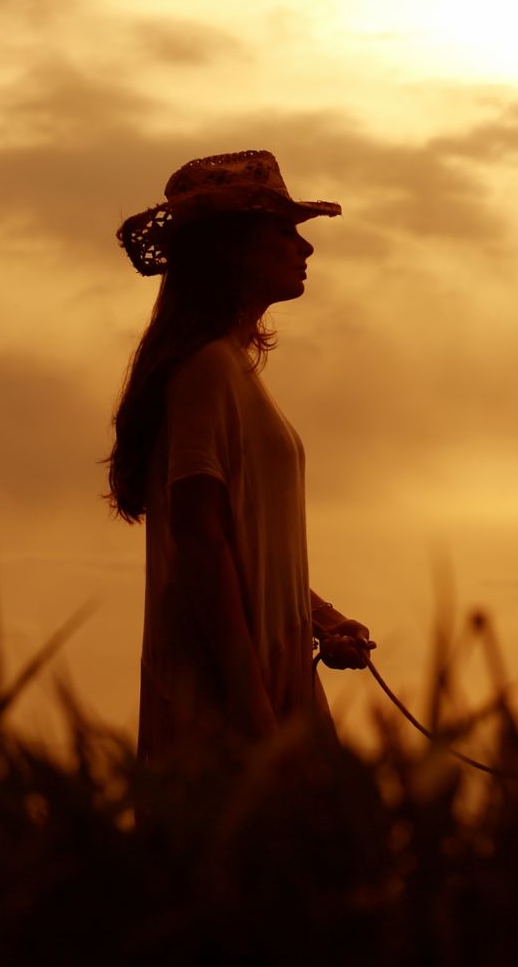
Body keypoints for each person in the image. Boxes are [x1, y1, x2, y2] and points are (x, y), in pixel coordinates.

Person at [105, 150, 373, 770]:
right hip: (225, 705)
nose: (304, 249)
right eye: (284, 231)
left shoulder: (228, 370)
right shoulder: (206, 372)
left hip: (267, 690)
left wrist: (322, 619)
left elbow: (243, 545)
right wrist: (251, 707)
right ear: (231, 249)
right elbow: (200, 541)